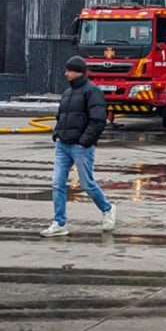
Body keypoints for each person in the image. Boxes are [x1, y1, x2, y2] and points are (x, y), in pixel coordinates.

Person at [41, 55, 115, 237]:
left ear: (79, 72)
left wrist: (84, 142)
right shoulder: (67, 93)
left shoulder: (92, 92)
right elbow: (61, 115)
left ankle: (107, 208)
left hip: (81, 147)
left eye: (69, 70)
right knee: (57, 183)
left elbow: (98, 120)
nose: (66, 74)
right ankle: (59, 223)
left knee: (86, 183)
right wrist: (57, 133)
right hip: (63, 145)